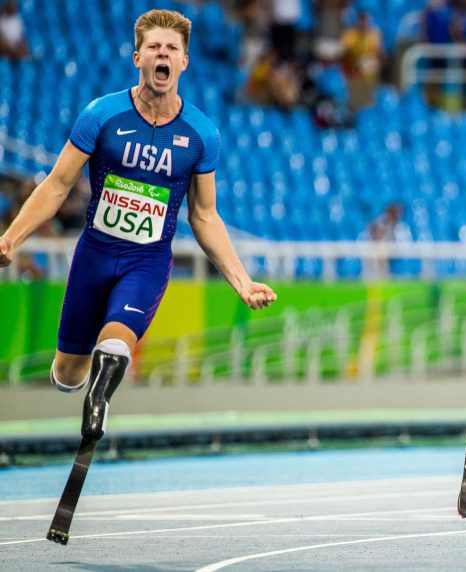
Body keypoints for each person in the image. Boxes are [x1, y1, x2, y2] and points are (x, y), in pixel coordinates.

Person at [0, 9, 277, 443]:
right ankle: (82, 378)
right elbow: (56, 186)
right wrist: (11, 238)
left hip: (146, 261)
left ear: (184, 62)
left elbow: (203, 216)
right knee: (66, 372)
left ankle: (101, 395)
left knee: (115, 345)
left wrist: (241, 281)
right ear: (138, 58)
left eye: (172, 49)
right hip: (93, 254)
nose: (163, 55)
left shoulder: (202, 134)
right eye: (154, 48)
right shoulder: (102, 114)